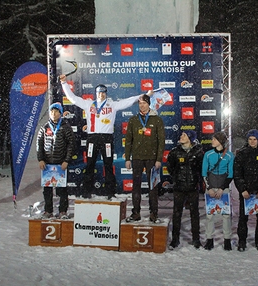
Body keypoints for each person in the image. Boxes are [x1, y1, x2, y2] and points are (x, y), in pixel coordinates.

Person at [59, 74, 152, 199]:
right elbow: (73, 98)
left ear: (106, 94)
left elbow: (128, 101)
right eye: (99, 92)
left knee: (108, 165)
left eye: (103, 93)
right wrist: (64, 83)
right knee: (90, 164)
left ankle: (110, 192)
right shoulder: (89, 104)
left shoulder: (111, 105)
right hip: (92, 138)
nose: (101, 95)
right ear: (95, 93)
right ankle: (86, 192)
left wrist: (143, 96)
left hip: (106, 138)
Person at [124, 94, 165, 223]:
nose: (142, 105)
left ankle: (154, 214)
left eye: (144, 103)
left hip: (152, 159)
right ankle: (136, 213)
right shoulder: (133, 120)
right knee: (136, 187)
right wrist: (127, 158)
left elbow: (161, 141)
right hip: (136, 158)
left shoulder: (157, 120)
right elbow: (128, 141)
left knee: (152, 187)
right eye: (140, 103)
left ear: (149, 104)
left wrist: (159, 159)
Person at [233, 129, 258, 251]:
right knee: (243, 218)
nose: (252, 141)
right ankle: (242, 242)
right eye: (250, 139)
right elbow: (237, 174)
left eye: (254, 139)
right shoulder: (241, 154)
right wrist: (242, 189)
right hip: (246, 192)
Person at [36, 102, 75, 219]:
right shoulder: (44, 127)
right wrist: (40, 159)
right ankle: (48, 211)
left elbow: (71, 145)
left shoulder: (65, 127)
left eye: (56, 111)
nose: (53, 114)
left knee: (62, 189)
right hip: (47, 164)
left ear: (60, 113)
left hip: (60, 164)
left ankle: (63, 211)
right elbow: (39, 144)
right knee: (47, 189)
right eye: (52, 112)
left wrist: (66, 161)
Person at [167, 131, 204, 250]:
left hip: (193, 187)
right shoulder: (174, 152)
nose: (181, 137)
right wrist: (177, 179)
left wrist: (196, 180)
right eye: (181, 135)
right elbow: (170, 168)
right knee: (177, 214)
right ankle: (175, 239)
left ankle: (196, 239)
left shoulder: (198, 152)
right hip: (179, 187)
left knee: (194, 214)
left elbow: (200, 168)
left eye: (184, 135)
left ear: (190, 138)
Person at [202, 131, 234, 251]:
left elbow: (230, 174)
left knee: (226, 215)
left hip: (223, 187)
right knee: (210, 215)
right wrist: (209, 188)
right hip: (211, 186)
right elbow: (204, 173)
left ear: (220, 141)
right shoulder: (208, 154)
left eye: (214, 139)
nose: (212, 141)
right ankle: (209, 240)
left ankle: (227, 240)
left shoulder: (230, 156)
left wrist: (222, 188)